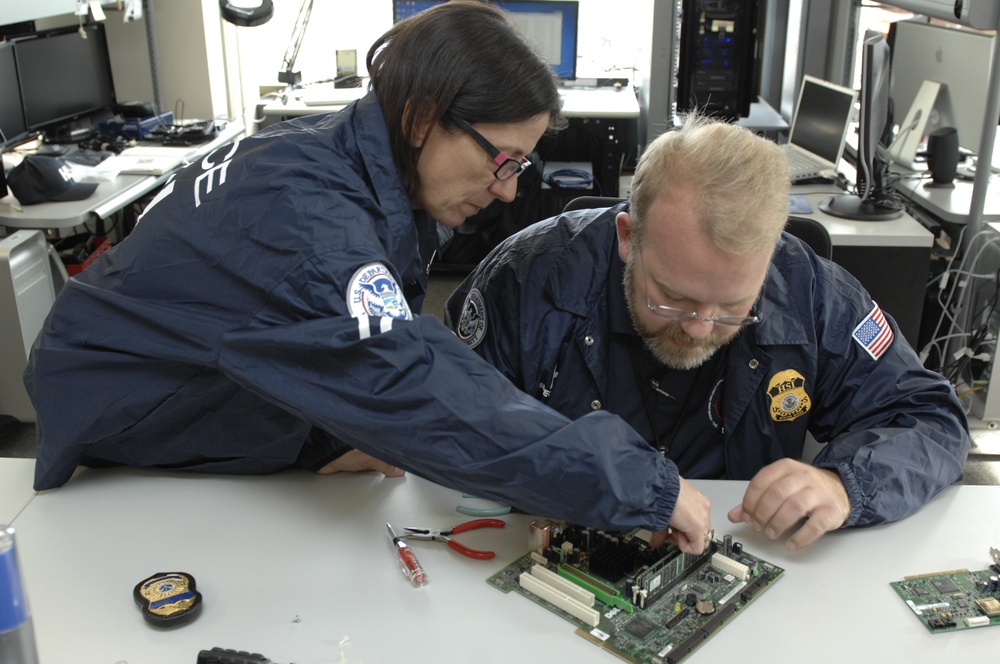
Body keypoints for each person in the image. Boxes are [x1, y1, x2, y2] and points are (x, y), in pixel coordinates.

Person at [24, 2, 712, 554]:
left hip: (178, 398)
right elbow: (411, 381)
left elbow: (292, 333)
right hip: (117, 444)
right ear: (420, 119)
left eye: (520, 168)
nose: (507, 192)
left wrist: (318, 435)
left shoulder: (335, 154)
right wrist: (635, 485)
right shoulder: (307, 219)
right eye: (502, 160)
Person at [446, 113, 971, 551]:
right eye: (673, 298)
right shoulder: (527, 279)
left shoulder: (805, 289)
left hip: (729, 561)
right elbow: (449, 424)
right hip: (551, 556)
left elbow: (932, 421)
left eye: (733, 307)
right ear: (628, 236)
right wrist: (584, 476)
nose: (699, 329)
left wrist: (843, 485)